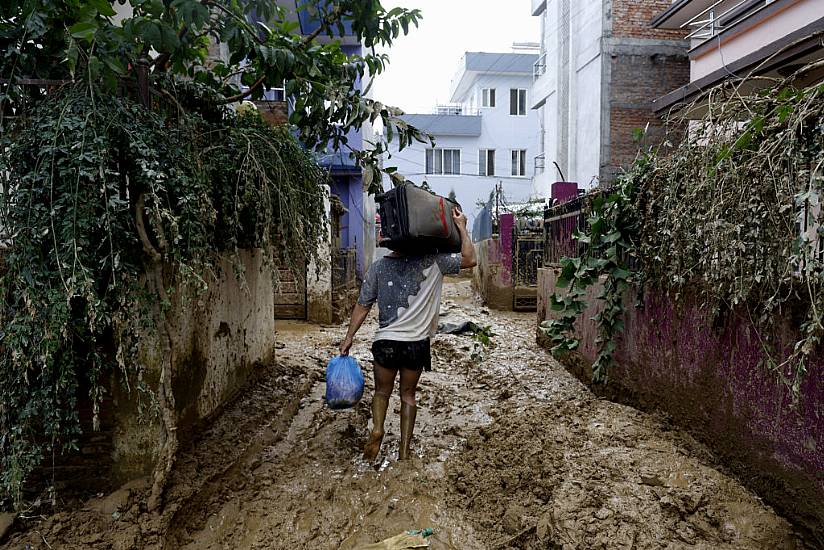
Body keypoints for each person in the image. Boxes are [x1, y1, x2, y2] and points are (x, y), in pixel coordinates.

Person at [340, 207, 477, 461]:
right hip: (415, 344)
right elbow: (470, 259)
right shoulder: (437, 261)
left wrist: (349, 337)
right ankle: (404, 452)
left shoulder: (378, 267)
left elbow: (363, 305)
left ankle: (378, 429)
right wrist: (462, 227)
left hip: (385, 343)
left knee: (381, 392)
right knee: (408, 394)